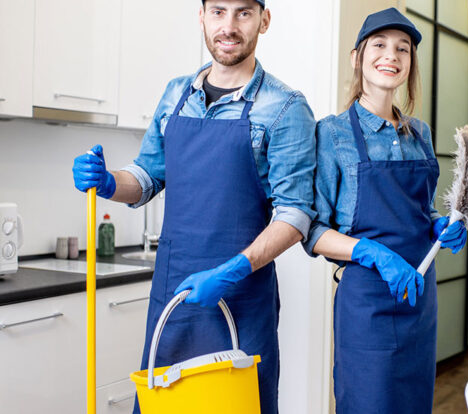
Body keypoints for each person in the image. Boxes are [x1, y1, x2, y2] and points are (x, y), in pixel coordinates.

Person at [72, 1, 316, 412]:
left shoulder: (286, 107)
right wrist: (111, 182)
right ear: (201, 17)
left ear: (264, 20)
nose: (229, 26)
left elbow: (296, 215)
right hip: (173, 296)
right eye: (218, 11)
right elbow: (147, 177)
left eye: (243, 13)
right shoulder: (175, 94)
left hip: (241, 296)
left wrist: (232, 270)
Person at [303, 8, 467, 413]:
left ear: (410, 63)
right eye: (379, 45)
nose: (391, 55)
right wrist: (373, 253)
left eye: (403, 48)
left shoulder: (420, 133)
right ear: (357, 57)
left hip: (419, 298)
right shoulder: (333, 132)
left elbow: (419, 210)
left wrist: (438, 225)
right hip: (367, 306)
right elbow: (313, 231)